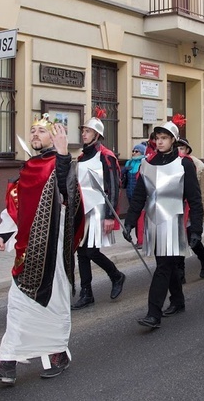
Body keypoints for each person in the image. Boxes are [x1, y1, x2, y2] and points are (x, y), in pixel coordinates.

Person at [0, 115, 76, 385]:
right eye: (32, 131)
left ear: (55, 136)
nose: (34, 135)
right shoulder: (31, 165)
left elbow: (68, 195)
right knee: (18, 303)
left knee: (54, 301)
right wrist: (4, 231)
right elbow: (18, 202)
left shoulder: (62, 163)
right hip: (27, 247)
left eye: (41, 131)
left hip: (52, 248)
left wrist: (63, 157)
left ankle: (57, 353)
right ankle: (7, 362)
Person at [123, 115, 203, 329]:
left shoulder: (184, 164)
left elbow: (195, 198)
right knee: (165, 266)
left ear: (173, 140)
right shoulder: (147, 164)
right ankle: (178, 301)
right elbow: (140, 195)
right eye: (157, 138)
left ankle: (153, 313)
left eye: (164, 138)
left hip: (174, 222)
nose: (159, 142)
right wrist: (130, 222)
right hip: (153, 222)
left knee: (164, 267)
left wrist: (196, 228)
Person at [71, 109, 126, 310]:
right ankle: (87, 293)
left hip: (98, 209)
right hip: (82, 210)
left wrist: (110, 216)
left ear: (97, 134)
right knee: (81, 253)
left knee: (92, 251)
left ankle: (116, 275)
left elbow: (113, 185)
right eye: (83, 130)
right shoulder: (81, 157)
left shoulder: (106, 156)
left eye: (88, 131)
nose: (84, 134)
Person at [177, 137, 204, 280]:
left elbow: (203, 191)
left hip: (190, 208)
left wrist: (202, 213)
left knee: (193, 239)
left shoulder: (196, 165)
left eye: (181, 148)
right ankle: (180, 273)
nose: (179, 151)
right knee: (178, 241)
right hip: (175, 207)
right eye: (177, 148)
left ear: (187, 150)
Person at [122, 143, 146, 248]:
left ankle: (140, 240)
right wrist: (124, 170)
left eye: (137, 151)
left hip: (139, 195)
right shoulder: (129, 162)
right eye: (133, 151)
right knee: (134, 217)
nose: (134, 153)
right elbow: (122, 175)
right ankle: (139, 239)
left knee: (140, 218)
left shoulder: (144, 162)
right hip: (129, 193)